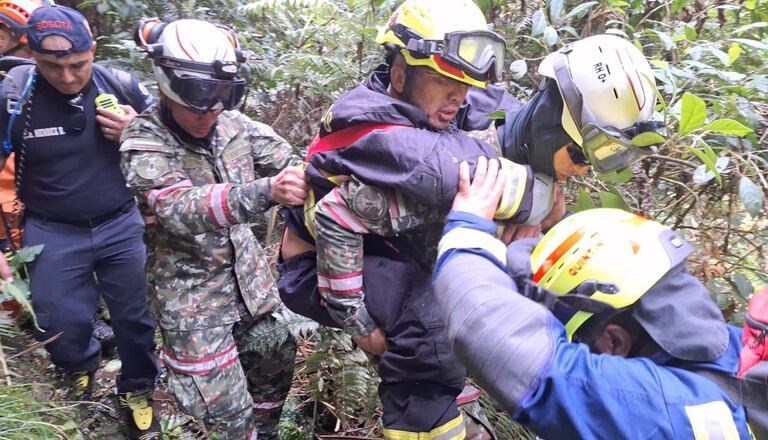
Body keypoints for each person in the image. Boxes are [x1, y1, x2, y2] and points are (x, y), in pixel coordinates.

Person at [279, 0, 558, 437]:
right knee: (431, 328)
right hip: (318, 266)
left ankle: (444, 389)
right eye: (446, 81)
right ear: (400, 75)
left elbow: (497, 108)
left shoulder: (425, 101)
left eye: (465, 85)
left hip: (381, 250)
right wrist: (359, 325)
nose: (458, 97)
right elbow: (444, 172)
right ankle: (423, 420)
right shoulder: (372, 127)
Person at [431, 157, 752, 438]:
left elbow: (490, 334)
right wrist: (557, 227)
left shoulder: (672, 414)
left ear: (614, 342)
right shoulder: (736, 354)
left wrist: (468, 227)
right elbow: (627, 261)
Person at [121, 18, 308, 440]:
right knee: (229, 419)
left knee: (271, 386)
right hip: (194, 308)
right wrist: (266, 192)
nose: (208, 113)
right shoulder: (144, 137)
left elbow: (293, 160)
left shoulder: (234, 126)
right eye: (196, 102)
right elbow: (176, 207)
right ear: (167, 87)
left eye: (220, 99)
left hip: (253, 293)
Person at [0, 4, 160, 440]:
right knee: (59, 320)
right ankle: (80, 368)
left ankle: (138, 388)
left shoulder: (121, 85)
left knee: (135, 317)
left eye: (78, 64)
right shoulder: (14, 97)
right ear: (31, 53)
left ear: (93, 50)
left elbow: (169, 139)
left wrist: (137, 129)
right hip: (52, 229)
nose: (68, 77)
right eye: (54, 65)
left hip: (121, 224)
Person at [497, 33, 664, 240]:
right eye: (580, 156)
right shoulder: (469, 153)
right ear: (550, 124)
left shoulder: (547, 201)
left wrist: (556, 224)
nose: (582, 171)